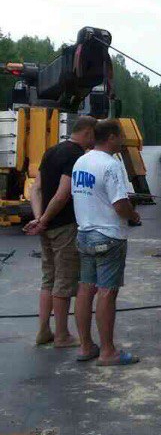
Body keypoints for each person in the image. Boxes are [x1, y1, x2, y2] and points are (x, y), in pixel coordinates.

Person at [71, 119, 141, 366]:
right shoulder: (111, 165)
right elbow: (120, 205)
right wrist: (134, 216)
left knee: (85, 289)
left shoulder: (82, 161)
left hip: (84, 234)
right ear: (111, 137)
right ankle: (108, 352)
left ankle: (86, 346)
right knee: (107, 292)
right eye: (120, 137)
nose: (122, 141)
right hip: (109, 236)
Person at [24, 116, 98, 347]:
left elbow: (36, 188)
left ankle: (44, 330)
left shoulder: (52, 151)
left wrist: (38, 218)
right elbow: (63, 193)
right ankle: (62, 335)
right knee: (64, 282)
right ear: (87, 133)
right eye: (95, 135)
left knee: (49, 279)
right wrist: (45, 220)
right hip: (64, 226)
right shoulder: (75, 156)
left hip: (46, 227)